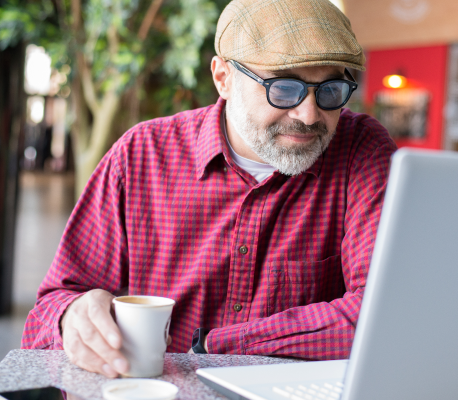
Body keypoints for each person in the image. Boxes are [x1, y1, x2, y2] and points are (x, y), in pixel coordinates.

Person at [21, 0, 397, 379]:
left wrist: (220, 346)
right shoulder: (140, 156)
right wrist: (73, 315)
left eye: (331, 90)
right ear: (223, 78)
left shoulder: (359, 150)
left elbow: (384, 314)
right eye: (284, 88)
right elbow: (46, 314)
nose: (310, 114)